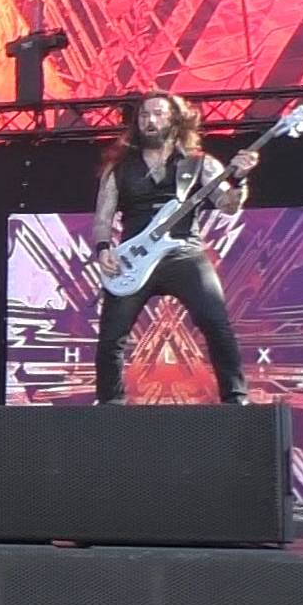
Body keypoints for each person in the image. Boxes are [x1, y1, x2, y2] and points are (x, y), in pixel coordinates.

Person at [92, 92, 258, 404]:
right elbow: (103, 217)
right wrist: (103, 249)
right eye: (144, 115)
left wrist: (240, 180)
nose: (150, 120)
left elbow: (228, 205)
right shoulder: (119, 168)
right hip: (135, 257)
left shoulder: (200, 163)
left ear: (175, 120)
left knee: (215, 322)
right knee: (112, 337)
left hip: (184, 252)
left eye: (158, 114)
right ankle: (110, 406)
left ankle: (236, 399)